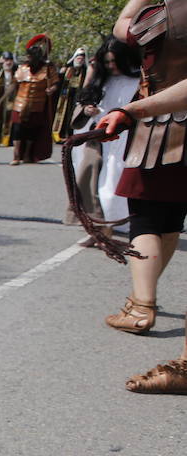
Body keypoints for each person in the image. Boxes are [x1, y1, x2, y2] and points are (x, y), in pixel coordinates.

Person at [94, 0, 187, 393]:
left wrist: (133, 109)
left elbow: (124, 27)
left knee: (149, 218)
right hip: (159, 112)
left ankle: (141, 305)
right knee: (164, 219)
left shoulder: (164, 13)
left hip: (160, 119)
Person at [66, 38, 139, 232]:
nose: (111, 66)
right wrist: (88, 110)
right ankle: (98, 226)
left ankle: (116, 226)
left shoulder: (140, 81)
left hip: (127, 142)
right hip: (98, 140)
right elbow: (83, 105)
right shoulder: (101, 79)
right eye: (107, 62)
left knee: (116, 185)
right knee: (89, 181)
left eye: (114, 61)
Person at [9, 33, 59, 165]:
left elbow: (55, 83)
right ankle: (16, 155)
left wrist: (51, 90)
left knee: (32, 131)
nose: (28, 58)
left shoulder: (48, 69)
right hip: (20, 104)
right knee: (18, 130)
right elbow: (15, 83)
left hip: (37, 104)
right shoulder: (22, 68)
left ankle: (27, 155)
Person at [54, 47, 87, 142]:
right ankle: (60, 135)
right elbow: (59, 82)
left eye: (82, 59)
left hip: (76, 98)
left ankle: (70, 135)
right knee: (62, 115)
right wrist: (61, 74)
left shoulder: (84, 71)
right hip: (65, 97)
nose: (80, 60)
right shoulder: (67, 69)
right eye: (78, 58)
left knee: (72, 116)